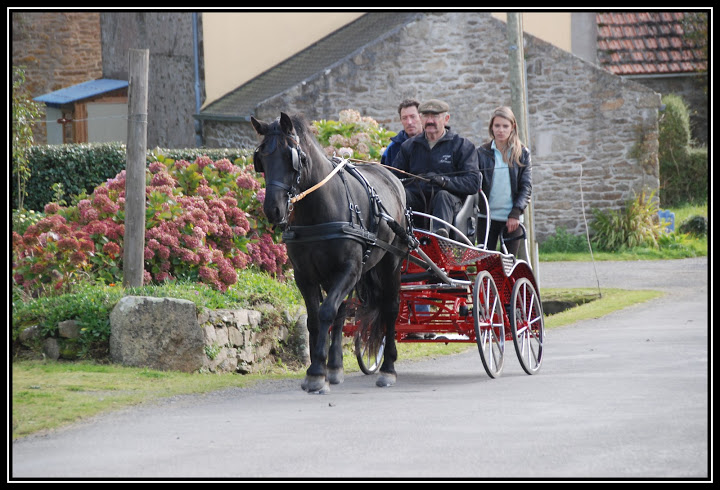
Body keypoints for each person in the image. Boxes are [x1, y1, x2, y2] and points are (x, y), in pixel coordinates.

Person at [392, 99, 480, 237]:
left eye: (435, 116)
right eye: (426, 116)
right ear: (421, 118)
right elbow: (394, 178)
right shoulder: (409, 147)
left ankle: (439, 238)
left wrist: (444, 181)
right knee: (402, 195)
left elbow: (473, 183)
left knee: (442, 196)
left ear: (446, 119)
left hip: (451, 207)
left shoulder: (462, 146)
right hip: (418, 202)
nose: (430, 120)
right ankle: (399, 236)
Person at [477, 106, 532, 256]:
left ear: (512, 127)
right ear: (491, 127)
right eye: (497, 126)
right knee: (485, 262)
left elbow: (526, 187)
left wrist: (515, 213)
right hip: (485, 218)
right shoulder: (481, 153)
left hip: (512, 219)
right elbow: (475, 185)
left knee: (507, 264)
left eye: (505, 126)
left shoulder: (522, 153)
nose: (501, 130)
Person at [380, 99, 422, 167]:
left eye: (413, 117)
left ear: (421, 117)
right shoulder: (392, 148)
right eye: (404, 118)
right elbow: (384, 175)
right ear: (401, 120)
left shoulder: (433, 143)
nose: (409, 122)